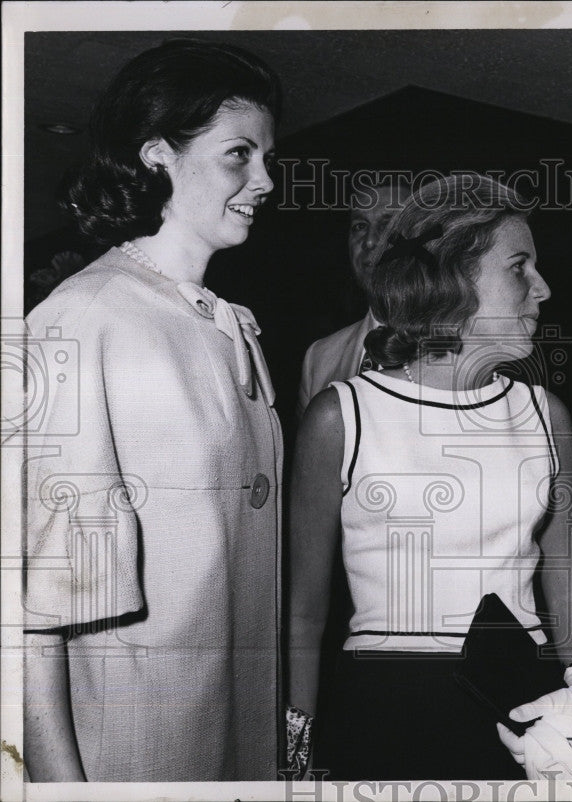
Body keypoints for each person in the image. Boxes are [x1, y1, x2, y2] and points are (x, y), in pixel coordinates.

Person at [288, 174, 572, 781]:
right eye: (519, 267)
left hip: (521, 703)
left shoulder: (546, 414)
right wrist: (296, 748)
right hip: (383, 705)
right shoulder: (341, 414)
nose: (542, 289)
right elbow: (305, 610)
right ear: (451, 277)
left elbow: (566, 580)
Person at [22, 39, 283, 782]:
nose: (264, 179)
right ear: (156, 154)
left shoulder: (230, 321)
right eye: (239, 154)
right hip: (137, 751)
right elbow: (39, 608)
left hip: (236, 738)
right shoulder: (85, 318)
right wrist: (58, 788)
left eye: (267, 156)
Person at [296, 176, 411, 417]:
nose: (369, 241)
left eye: (388, 224)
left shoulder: (458, 347)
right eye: (359, 225)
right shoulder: (319, 358)